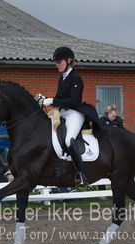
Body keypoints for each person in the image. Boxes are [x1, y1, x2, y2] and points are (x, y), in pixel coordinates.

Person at [42, 46, 101, 185]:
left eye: (59, 62)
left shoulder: (76, 78)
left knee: (69, 140)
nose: (57, 65)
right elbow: (59, 98)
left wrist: (52, 100)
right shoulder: (62, 77)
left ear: (68, 61)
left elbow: (73, 101)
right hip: (63, 112)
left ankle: (81, 173)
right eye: (56, 63)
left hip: (75, 112)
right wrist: (45, 100)